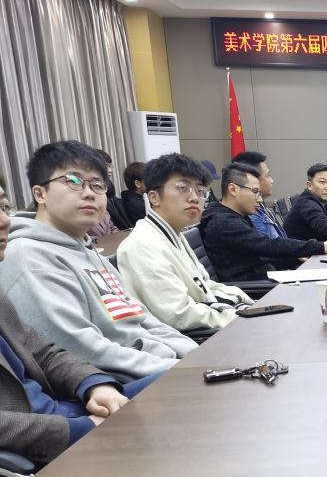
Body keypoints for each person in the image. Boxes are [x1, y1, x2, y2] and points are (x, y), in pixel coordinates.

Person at [0, 141, 195, 382]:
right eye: (73, 181)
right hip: (118, 384)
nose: (89, 193)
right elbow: (80, 350)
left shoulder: (89, 251)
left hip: (161, 365)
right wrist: (183, 370)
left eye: (98, 184)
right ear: (40, 194)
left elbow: (144, 319)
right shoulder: (27, 256)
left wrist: (197, 356)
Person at [0, 178, 161, 462]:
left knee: (188, 381)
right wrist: (81, 428)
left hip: (72, 407)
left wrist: (92, 384)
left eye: (3, 207)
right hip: (47, 444)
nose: (4, 221)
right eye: (74, 182)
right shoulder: (25, 256)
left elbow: (43, 352)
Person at [116, 153, 254, 333]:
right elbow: (178, 314)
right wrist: (240, 316)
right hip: (195, 341)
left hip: (214, 322)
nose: (195, 198)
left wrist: (248, 305)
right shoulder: (141, 246)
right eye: (183, 188)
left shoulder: (174, 233)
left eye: (200, 190)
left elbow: (204, 285)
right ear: (154, 197)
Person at [201, 162, 327, 282]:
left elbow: (264, 251)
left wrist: (296, 256)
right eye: (255, 192)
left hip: (270, 278)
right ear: (233, 189)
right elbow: (268, 245)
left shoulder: (236, 216)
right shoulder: (224, 222)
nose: (260, 199)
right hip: (259, 291)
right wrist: (321, 247)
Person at [233, 150, 287, 240]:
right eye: (268, 176)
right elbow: (269, 247)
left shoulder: (261, 207)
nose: (272, 180)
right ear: (253, 179)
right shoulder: (252, 216)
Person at [115, 161, 148, 228]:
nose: (151, 181)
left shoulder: (128, 197)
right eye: (147, 179)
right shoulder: (137, 204)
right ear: (137, 184)